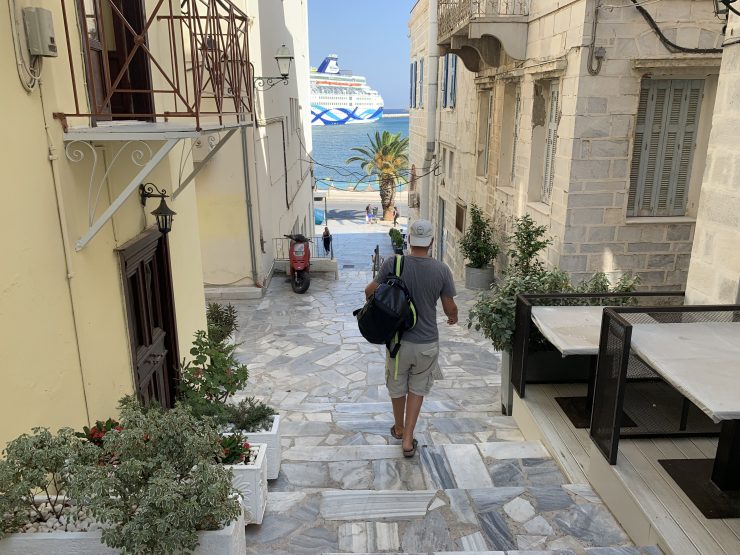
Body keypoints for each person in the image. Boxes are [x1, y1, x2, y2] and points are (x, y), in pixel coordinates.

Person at [364, 219, 458, 458]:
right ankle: (408, 439)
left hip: (398, 343)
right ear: (432, 242)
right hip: (427, 343)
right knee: (417, 389)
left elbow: (369, 291)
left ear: (409, 240)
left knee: (397, 387)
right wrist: (453, 317)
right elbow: (449, 308)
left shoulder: (393, 264)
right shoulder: (442, 270)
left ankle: (398, 427)